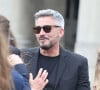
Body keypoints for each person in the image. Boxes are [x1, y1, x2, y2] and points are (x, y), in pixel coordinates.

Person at [21, 9, 90, 90]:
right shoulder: (23, 57)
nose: (41, 33)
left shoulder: (78, 63)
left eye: (47, 28)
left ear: (60, 32)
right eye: (37, 29)